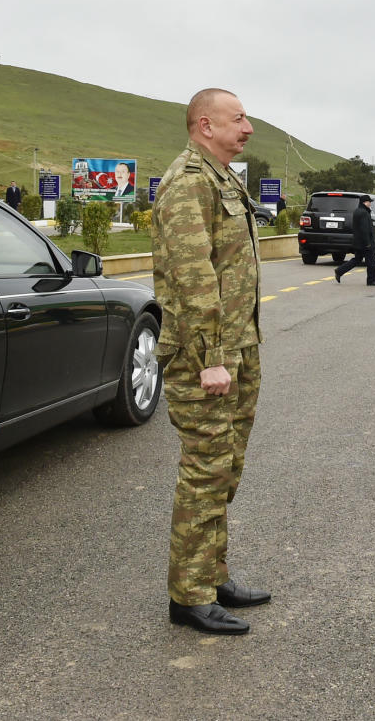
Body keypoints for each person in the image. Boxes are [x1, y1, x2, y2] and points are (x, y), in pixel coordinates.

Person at [152, 88, 270, 635]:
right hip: (207, 358)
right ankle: (190, 595)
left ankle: (212, 573)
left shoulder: (222, 177)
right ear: (205, 124)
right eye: (238, 118)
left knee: (226, 468)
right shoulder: (187, 184)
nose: (247, 127)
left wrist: (236, 349)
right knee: (204, 469)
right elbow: (194, 276)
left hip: (237, 349)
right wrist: (210, 359)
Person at [334, 194, 375, 286]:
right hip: (365, 243)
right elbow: (364, 229)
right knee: (371, 261)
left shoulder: (357, 211)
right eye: (369, 202)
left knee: (357, 260)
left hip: (358, 242)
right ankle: (371, 280)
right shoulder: (364, 213)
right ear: (364, 202)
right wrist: (368, 243)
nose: (370, 204)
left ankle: (339, 271)